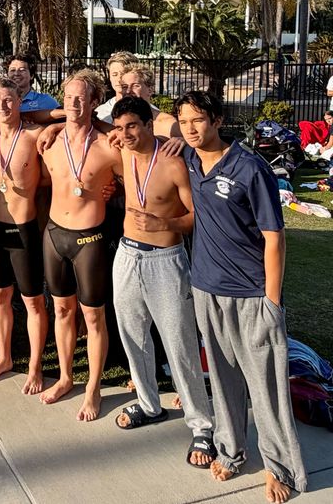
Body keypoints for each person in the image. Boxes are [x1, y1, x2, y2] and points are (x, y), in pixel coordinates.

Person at [176, 90, 307, 502]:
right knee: (223, 378)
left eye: (198, 120)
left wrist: (272, 302)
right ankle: (231, 451)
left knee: (266, 387)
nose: (191, 129)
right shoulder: (190, 162)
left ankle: (280, 468)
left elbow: (275, 238)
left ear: (217, 120)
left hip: (252, 295)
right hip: (205, 289)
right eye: (184, 122)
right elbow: (144, 125)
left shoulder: (251, 168)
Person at [109, 95, 215, 468]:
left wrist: (165, 224)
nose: (125, 135)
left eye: (132, 126)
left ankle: (201, 425)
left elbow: (194, 217)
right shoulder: (118, 151)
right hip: (126, 255)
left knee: (179, 342)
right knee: (132, 335)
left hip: (165, 260)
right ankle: (150, 403)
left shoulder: (173, 162)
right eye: (119, 128)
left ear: (148, 124)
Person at [38, 69, 121, 421]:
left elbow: (134, 179)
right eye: (68, 96)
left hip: (90, 237)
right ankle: (67, 377)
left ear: (94, 102)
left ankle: (93, 387)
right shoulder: (48, 141)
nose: (73, 103)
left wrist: (114, 190)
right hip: (54, 235)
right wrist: (52, 125)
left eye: (80, 97)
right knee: (61, 310)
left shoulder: (108, 146)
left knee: (93, 316)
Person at [0, 77, 48, 394]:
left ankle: (35, 364)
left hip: (24, 228)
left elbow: (53, 173)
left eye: (9, 100)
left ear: (19, 101)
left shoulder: (35, 135)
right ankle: (4, 357)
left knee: (32, 302)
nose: (2, 106)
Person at [119, 63, 180, 138]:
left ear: (151, 90)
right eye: (124, 87)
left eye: (135, 86)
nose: (128, 91)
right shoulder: (116, 123)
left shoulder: (168, 124)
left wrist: (182, 140)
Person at [94, 50, 137, 123]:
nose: (119, 79)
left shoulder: (151, 112)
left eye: (123, 74)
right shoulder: (101, 113)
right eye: (114, 74)